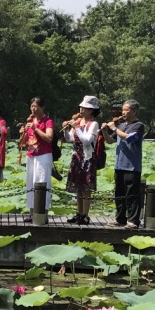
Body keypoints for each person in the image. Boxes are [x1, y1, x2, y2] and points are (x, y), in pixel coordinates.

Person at [104, 99, 145, 228]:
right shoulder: (121, 126)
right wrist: (105, 131)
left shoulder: (138, 125)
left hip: (132, 166)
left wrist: (114, 128)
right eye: (123, 109)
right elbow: (110, 141)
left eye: (127, 110)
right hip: (119, 164)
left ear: (134, 111)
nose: (123, 112)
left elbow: (129, 138)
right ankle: (120, 218)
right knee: (119, 194)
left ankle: (133, 221)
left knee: (132, 194)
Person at [63, 96, 101, 225]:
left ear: (91, 110)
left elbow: (86, 140)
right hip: (76, 158)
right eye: (81, 107)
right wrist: (67, 129)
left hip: (87, 158)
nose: (81, 109)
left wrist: (76, 127)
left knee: (86, 188)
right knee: (78, 188)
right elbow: (70, 139)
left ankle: (85, 215)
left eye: (84, 107)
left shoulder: (94, 124)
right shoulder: (78, 121)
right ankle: (79, 214)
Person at [21, 96, 54, 216]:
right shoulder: (30, 121)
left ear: (42, 107)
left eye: (36, 106)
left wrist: (35, 128)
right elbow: (23, 142)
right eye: (32, 106)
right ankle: (31, 212)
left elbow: (49, 138)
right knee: (30, 182)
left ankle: (42, 214)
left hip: (43, 155)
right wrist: (24, 132)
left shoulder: (48, 121)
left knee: (42, 181)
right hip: (31, 155)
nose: (33, 109)